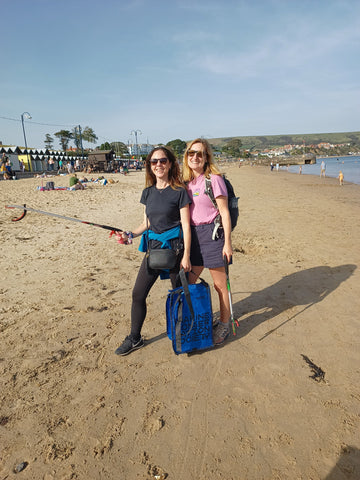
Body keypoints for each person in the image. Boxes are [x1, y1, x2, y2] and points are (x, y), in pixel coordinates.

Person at [115, 146, 191, 356]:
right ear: (149, 165)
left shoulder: (179, 191)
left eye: (163, 160)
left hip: (176, 250)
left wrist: (186, 256)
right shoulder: (148, 192)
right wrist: (130, 234)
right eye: (154, 161)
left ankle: (182, 335)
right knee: (138, 294)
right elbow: (147, 222)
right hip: (154, 249)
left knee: (179, 297)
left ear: (170, 164)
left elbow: (186, 225)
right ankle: (135, 337)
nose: (159, 164)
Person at [183, 138, 233, 345]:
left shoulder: (214, 179)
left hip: (213, 236)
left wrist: (228, 243)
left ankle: (224, 323)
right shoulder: (185, 182)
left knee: (220, 285)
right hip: (193, 237)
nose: (195, 157)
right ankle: (200, 317)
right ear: (186, 157)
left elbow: (225, 211)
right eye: (191, 153)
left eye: (200, 154)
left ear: (206, 158)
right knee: (189, 282)